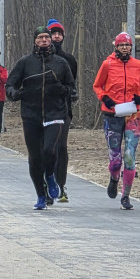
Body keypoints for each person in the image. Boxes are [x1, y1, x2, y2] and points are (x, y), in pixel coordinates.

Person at [6, 26, 76, 210]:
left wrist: (61, 90)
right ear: (35, 41)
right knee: (35, 158)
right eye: (40, 38)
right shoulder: (25, 63)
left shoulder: (61, 63)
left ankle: (51, 176)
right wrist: (16, 93)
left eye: (47, 37)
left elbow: (72, 89)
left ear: (51, 40)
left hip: (55, 113)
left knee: (49, 151)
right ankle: (40, 195)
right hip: (31, 114)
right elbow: (10, 85)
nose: (44, 40)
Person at [92, 32, 140, 211]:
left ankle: (126, 196)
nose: (125, 48)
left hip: (132, 115)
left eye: (127, 45)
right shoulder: (107, 64)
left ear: (131, 47)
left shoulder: (138, 66)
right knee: (116, 158)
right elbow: (97, 85)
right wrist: (105, 98)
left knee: (130, 156)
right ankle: (114, 177)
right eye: (121, 45)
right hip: (112, 114)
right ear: (116, 46)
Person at [47, 19, 78, 202]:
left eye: (59, 33)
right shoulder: (39, 59)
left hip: (63, 109)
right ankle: (46, 185)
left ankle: (60, 185)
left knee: (61, 148)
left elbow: (72, 84)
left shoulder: (70, 60)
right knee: (46, 149)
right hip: (43, 110)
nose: (56, 36)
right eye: (53, 33)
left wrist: (70, 96)